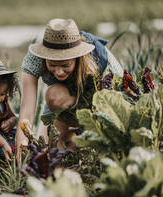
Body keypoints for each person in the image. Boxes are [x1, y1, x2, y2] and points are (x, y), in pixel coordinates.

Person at [16, 18, 123, 154]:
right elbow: (26, 112)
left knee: (85, 143)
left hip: (98, 98)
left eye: (65, 65)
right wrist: (21, 155)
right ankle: (65, 144)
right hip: (63, 97)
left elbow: (114, 106)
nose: (59, 71)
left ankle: (79, 140)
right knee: (48, 149)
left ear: (77, 58)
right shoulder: (35, 59)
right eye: (52, 65)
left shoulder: (98, 63)